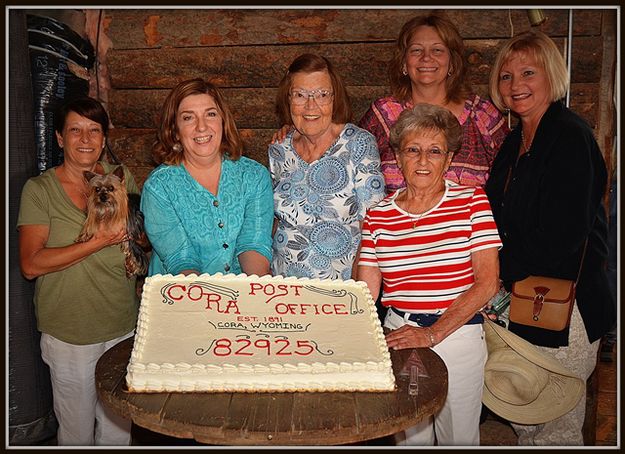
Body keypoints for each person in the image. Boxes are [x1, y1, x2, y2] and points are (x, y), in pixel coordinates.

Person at [485, 30, 614, 445]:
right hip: (523, 300)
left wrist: (495, 274)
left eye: (528, 72)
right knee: (526, 413)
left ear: (552, 76)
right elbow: (493, 215)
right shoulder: (515, 140)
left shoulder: (570, 136)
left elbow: (564, 234)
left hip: (565, 308)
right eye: (506, 77)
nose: (516, 85)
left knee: (556, 424)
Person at [357, 103, 502, 445]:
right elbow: (365, 293)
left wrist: (433, 334)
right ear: (397, 155)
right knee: (410, 438)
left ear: (449, 158)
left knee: (459, 439)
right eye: (413, 150)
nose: (423, 161)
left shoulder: (472, 202)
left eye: (434, 151)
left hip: (458, 336)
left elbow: (487, 283)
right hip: (400, 336)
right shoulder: (377, 215)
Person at [17, 97, 138, 445]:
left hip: (120, 326)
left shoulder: (122, 177)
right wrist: (98, 241)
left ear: (103, 138)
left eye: (94, 131)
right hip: (70, 333)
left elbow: (139, 237)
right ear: (58, 137)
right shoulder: (40, 190)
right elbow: (30, 265)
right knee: (76, 433)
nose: (85, 139)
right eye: (75, 130)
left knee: (119, 432)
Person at [359, 13, 509, 193]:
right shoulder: (383, 114)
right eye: (416, 50)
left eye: (437, 50)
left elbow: (510, 181)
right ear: (404, 63)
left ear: (452, 62)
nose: (426, 57)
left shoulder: (483, 115)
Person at [141, 78, 273, 277]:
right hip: (182, 296)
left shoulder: (254, 176)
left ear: (223, 121)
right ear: (175, 131)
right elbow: (181, 258)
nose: (201, 127)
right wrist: (204, 303)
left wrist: (257, 291)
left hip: (241, 296)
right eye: (188, 118)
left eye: (210, 114)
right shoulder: (159, 187)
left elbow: (253, 243)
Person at [270, 53, 385, 280]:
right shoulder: (279, 149)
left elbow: (374, 226)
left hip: (339, 290)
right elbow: (275, 221)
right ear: (288, 99)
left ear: (335, 98)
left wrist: (358, 291)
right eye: (300, 95)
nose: (311, 105)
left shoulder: (358, 143)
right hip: (284, 287)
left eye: (322, 94)